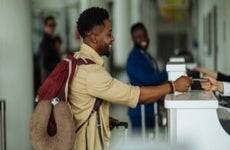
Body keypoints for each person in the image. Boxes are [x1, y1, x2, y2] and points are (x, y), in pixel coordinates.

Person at [69, 7, 192, 150]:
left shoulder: (78, 60)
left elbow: (80, 105)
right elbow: (134, 95)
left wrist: (102, 119)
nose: (113, 38)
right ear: (94, 37)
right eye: (109, 33)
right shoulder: (92, 72)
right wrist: (173, 86)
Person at [126, 23, 168, 132]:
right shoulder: (133, 59)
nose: (142, 38)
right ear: (133, 39)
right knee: (140, 144)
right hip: (140, 111)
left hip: (150, 108)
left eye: (144, 35)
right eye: (138, 36)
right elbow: (147, 79)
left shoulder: (146, 55)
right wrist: (169, 72)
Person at [39, 16, 61, 82]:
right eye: (50, 25)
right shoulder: (45, 44)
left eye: (54, 25)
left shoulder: (52, 41)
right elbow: (45, 64)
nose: (53, 28)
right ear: (45, 27)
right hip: (50, 80)